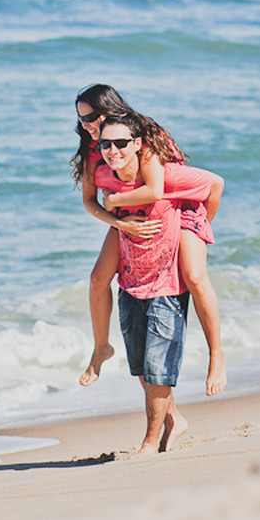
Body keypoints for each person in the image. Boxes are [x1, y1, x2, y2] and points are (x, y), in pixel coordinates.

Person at [69, 84, 227, 396]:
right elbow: (89, 201)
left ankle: (217, 355)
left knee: (195, 277)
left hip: (180, 210)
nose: (86, 127)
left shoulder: (142, 135)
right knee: (98, 277)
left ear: (111, 111)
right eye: (81, 121)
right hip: (133, 214)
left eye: (91, 118)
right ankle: (101, 348)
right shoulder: (94, 147)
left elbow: (180, 188)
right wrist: (117, 220)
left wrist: (199, 227)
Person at [92, 114, 219, 455]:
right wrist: (115, 212)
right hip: (132, 283)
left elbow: (214, 185)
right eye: (105, 144)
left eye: (121, 143)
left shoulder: (170, 179)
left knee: (159, 369)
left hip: (168, 285)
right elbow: (93, 200)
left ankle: (149, 443)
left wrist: (196, 228)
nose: (112, 150)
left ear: (138, 144)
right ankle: (174, 420)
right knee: (143, 369)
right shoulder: (106, 176)